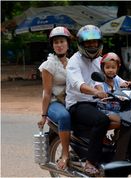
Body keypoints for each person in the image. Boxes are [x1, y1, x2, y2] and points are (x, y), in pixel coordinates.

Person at [65, 25, 109, 176]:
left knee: (121, 116)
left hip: (94, 102)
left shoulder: (97, 60)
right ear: (81, 44)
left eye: (95, 42)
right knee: (102, 120)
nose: (92, 45)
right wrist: (96, 92)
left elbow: (98, 80)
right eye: (88, 43)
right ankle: (90, 162)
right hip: (77, 104)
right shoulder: (74, 61)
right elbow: (80, 85)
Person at [37, 26, 72, 170]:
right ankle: (65, 154)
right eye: (55, 42)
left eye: (62, 41)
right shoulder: (49, 65)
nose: (59, 45)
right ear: (52, 45)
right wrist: (44, 115)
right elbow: (47, 92)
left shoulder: (71, 63)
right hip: (54, 103)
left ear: (68, 43)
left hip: (69, 100)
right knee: (64, 117)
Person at [95, 52, 131, 129]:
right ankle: (102, 135)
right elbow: (99, 89)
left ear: (117, 69)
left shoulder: (116, 78)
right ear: (103, 68)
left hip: (117, 108)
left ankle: (118, 137)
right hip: (104, 109)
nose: (110, 70)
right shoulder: (100, 81)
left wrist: (130, 84)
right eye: (108, 67)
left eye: (113, 67)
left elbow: (124, 83)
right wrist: (101, 93)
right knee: (121, 120)